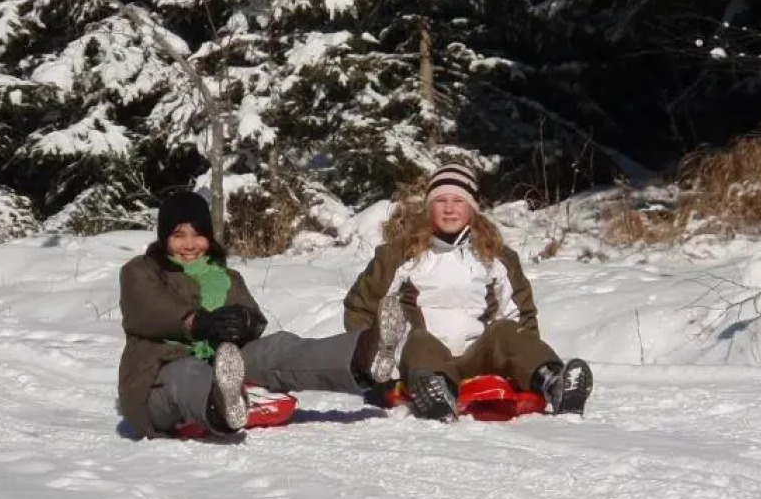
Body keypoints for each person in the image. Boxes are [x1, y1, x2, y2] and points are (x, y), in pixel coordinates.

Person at [118, 191, 406, 438]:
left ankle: (361, 355)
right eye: (179, 235)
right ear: (164, 238)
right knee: (188, 372)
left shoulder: (225, 277)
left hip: (223, 364)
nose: (190, 244)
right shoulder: (141, 270)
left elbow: (252, 318)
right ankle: (221, 403)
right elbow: (147, 308)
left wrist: (243, 321)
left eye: (198, 234)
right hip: (159, 378)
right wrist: (197, 322)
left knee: (276, 348)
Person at [343, 162, 593, 421]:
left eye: (458, 201)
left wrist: (521, 365)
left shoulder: (497, 257)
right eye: (441, 200)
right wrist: (365, 361)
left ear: (472, 207)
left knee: (507, 330)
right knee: (419, 340)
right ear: (429, 207)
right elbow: (360, 305)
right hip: (421, 359)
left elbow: (521, 315)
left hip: (478, 358)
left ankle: (553, 383)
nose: (449, 209)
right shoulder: (399, 255)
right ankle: (435, 392)